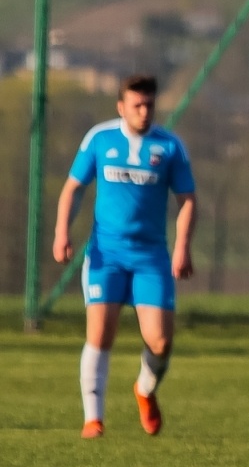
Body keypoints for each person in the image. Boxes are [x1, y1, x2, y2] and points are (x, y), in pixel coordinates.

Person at [53, 75, 197, 438]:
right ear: (121, 107)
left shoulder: (170, 147)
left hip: (151, 258)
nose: (144, 111)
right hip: (107, 255)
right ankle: (93, 419)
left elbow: (187, 200)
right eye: (137, 105)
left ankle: (145, 390)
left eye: (149, 104)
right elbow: (73, 188)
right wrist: (61, 232)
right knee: (100, 335)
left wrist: (182, 247)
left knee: (161, 341)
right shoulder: (100, 139)